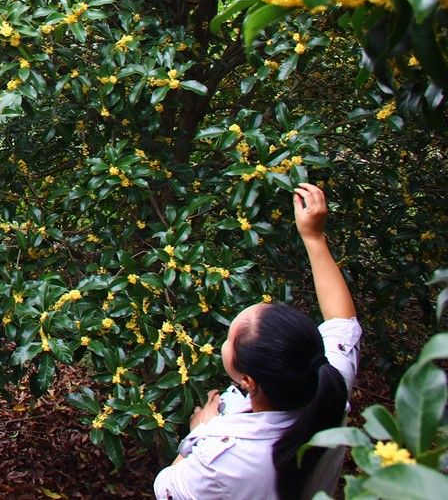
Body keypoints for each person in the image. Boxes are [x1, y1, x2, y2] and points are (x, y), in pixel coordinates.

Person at [154, 182, 360, 500]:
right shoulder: (328, 379)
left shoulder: (223, 459)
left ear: (248, 381)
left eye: (228, 339)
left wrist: (200, 433)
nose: (224, 342)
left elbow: (166, 488)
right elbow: (341, 318)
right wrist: (314, 237)